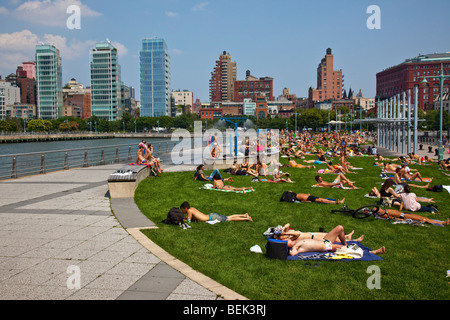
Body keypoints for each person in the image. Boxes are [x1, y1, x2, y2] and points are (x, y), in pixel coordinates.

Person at [287, 225, 386, 256]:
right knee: (349, 249)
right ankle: (373, 252)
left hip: (324, 241)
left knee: (339, 228)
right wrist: (289, 251)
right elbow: (292, 254)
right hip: (325, 247)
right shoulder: (296, 248)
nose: (288, 240)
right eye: (287, 242)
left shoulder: (296, 241)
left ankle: (346, 242)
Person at [274, 223, 364, 242]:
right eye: (279, 236)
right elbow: (297, 233)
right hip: (315, 238)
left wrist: (284, 228)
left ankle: (347, 236)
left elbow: (288, 224)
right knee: (335, 239)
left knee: (330, 234)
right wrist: (285, 234)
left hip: (314, 234)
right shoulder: (289, 238)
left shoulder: (287, 234)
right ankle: (355, 240)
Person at [180, 201, 252, 222]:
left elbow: (188, 220)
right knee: (228, 217)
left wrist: (182, 219)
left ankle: (246, 218)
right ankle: (244, 215)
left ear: (185, 208)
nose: (182, 211)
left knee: (230, 219)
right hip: (212, 215)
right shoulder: (192, 208)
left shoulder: (189, 211)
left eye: (182, 209)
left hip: (212, 217)